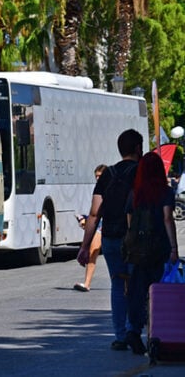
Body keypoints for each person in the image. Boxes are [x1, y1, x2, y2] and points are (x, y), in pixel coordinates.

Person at [77, 129, 143, 351]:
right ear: (137, 148)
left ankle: (120, 336)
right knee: (137, 284)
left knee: (117, 284)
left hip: (111, 237)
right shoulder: (141, 172)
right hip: (136, 238)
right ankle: (134, 329)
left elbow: (94, 212)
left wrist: (85, 247)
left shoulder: (108, 174)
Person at [122, 151, 179, 354]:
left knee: (136, 291)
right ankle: (159, 333)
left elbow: (130, 219)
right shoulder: (165, 191)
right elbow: (167, 219)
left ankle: (133, 331)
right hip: (159, 247)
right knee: (159, 292)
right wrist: (174, 247)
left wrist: (134, 243)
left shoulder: (135, 192)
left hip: (137, 249)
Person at [73, 164, 107, 292]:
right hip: (100, 223)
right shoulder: (98, 188)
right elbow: (94, 212)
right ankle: (87, 283)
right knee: (93, 252)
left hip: (110, 222)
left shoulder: (112, 187)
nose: (98, 179)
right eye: (96, 176)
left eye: (100, 176)